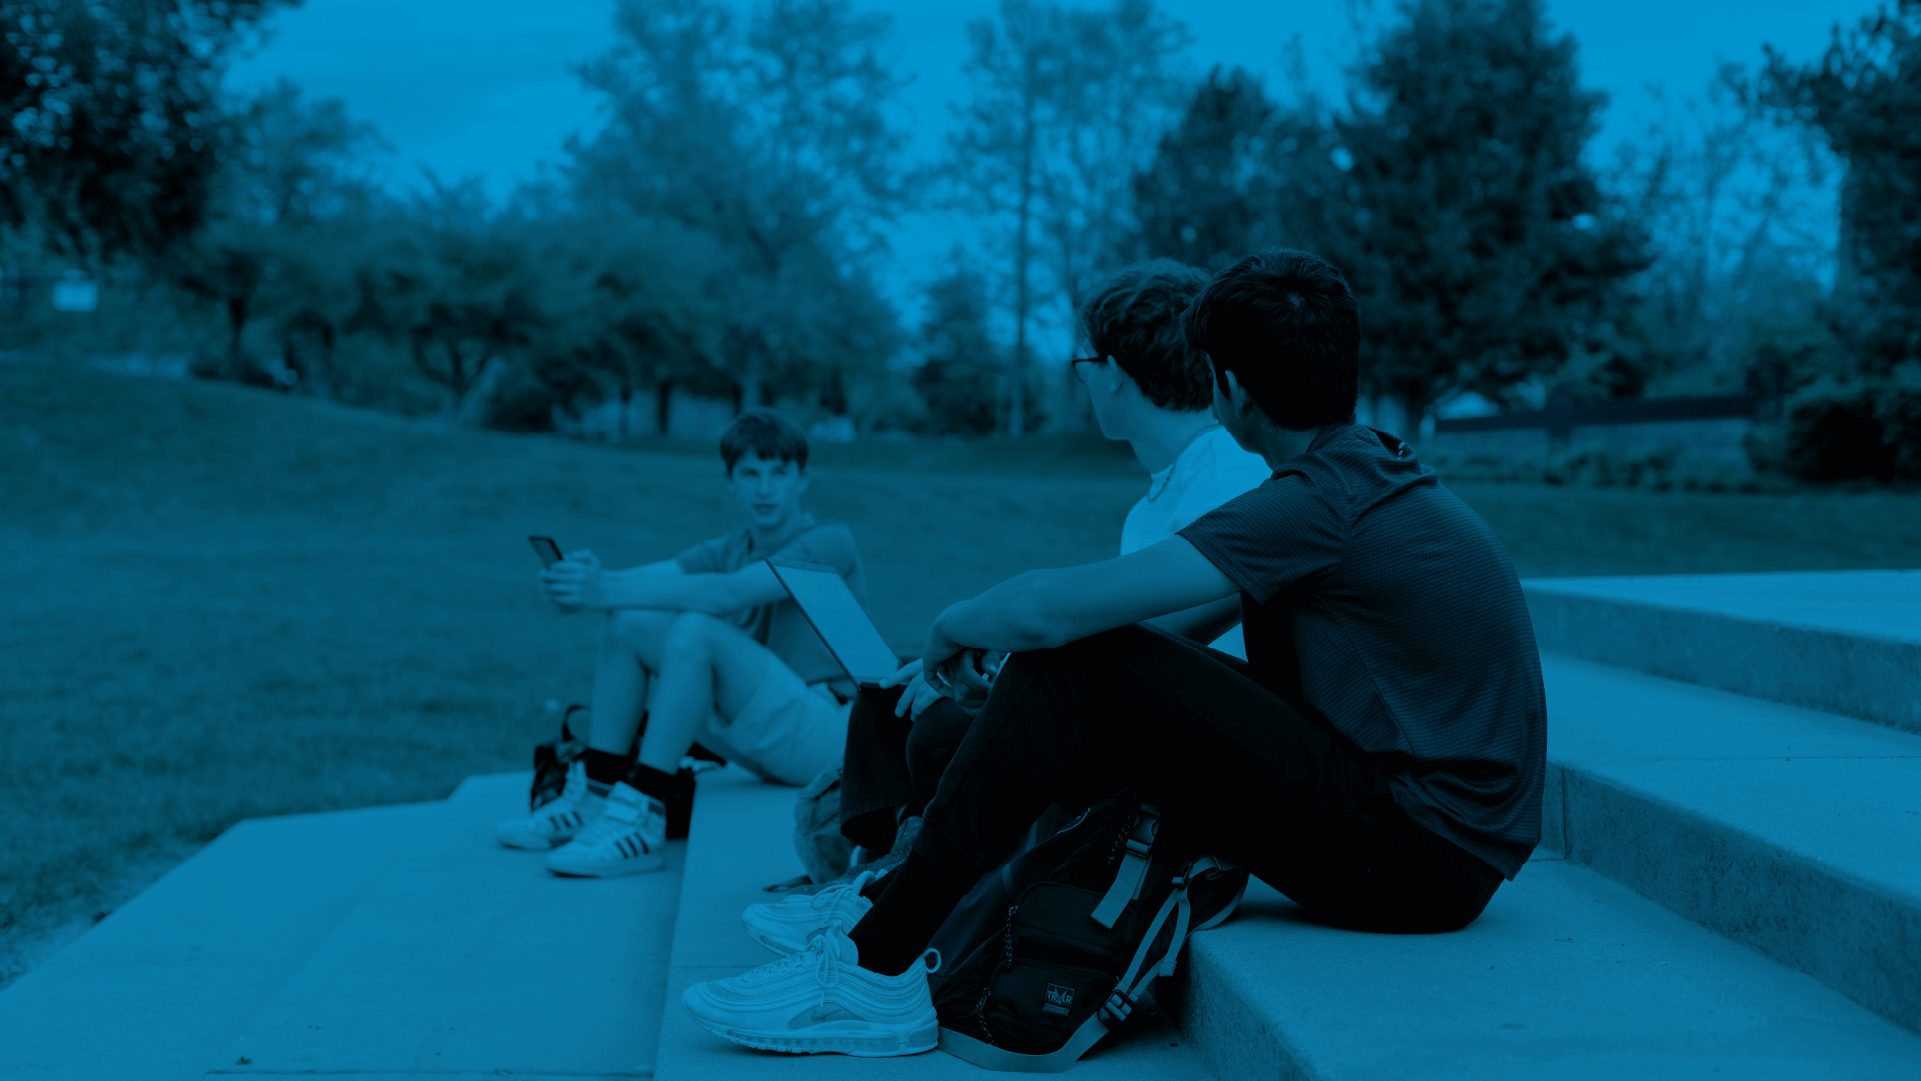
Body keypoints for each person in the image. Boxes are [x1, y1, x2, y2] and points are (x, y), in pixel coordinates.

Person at [682, 249, 1547, 1057]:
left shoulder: (1316, 501)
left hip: (1419, 855)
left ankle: (875, 969)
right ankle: (884, 922)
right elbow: (1154, 645)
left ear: (1229, 386)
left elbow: (1055, 612)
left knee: (1073, 657)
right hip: (1428, 833)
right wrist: (1016, 680)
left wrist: (957, 622)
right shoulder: (1355, 477)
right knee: (1074, 667)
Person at [830, 260, 1271, 867]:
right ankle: (873, 878)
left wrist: (998, 666)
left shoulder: (1230, 477)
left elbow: (1157, 640)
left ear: (1113, 373)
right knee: (889, 696)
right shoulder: (1163, 490)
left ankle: (904, 906)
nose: (1082, 381)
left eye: (1081, 364)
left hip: (1193, 728)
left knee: (940, 729)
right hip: (1125, 698)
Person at [494, 408, 868, 878]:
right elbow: (632, 585)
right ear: (729, 480)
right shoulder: (729, 548)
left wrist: (600, 590)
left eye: (779, 472)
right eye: (750, 473)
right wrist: (584, 582)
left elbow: (729, 593)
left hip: (833, 733)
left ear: (803, 478)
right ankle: (596, 795)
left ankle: (643, 815)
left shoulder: (831, 540)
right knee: (629, 620)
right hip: (763, 737)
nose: (765, 488)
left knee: (696, 628)